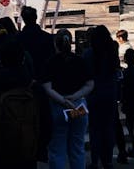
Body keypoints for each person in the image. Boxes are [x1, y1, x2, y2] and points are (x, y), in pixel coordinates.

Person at [0, 38, 49, 169]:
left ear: (1, 60)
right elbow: (46, 123)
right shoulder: (34, 88)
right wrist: (38, 149)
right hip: (27, 153)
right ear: (23, 59)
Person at [41, 29, 94, 169]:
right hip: (78, 106)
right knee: (77, 148)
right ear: (71, 42)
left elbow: (47, 88)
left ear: (55, 44)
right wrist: (75, 96)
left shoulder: (50, 62)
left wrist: (63, 100)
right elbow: (90, 84)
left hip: (58, 107)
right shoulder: (80, 60)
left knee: (57, 150)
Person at [84, 25, 120, 169]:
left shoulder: (89, 54)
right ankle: (108, 160)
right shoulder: (112, 52)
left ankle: (95, 160)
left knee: (95, 129)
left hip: (94, 94)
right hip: (110, 93)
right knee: (108, 127)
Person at [19, 5, 55, 76]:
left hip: (26, 76)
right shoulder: (48, 37)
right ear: (36, 17)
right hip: (45, 75)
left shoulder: (18, 39)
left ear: (23, 19)